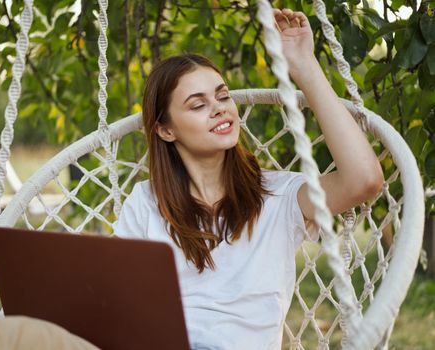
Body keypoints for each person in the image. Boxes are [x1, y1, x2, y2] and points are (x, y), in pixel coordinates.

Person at [112, 8, 383, 350]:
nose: (220, 108)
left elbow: (365, 180)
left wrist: (302, 65)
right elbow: (119, 302)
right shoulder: (146, 202)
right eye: (198, 105)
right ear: (165, 129)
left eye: (223, 96)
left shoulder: (279, 196)